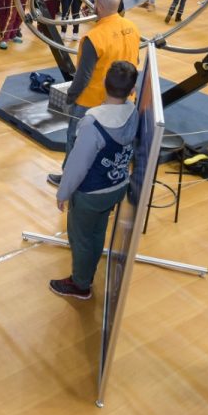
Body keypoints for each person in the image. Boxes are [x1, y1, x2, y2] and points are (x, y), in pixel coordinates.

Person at [48, 61, 139, 300]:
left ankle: (80, 284)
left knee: (80, 237)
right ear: (132, 90)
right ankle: (88, 272)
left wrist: (63, 193)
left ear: (103, 84)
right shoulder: (133, 111)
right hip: (117, 185)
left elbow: (78, 165)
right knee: (96, 232)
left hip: (90, 193)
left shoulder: (93, 122)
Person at [46, 0, 140, 186]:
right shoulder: (132, 28)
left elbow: (83, 76)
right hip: (123, 100)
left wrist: (70, 98)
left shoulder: (94, 37)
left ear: (100, 6)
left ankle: (69, 179)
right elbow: (135, 61)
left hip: (92, 103)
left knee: (75, 140)